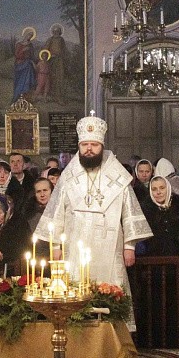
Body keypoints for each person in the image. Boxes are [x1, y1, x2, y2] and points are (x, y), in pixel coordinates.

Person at [37, 114, 152, 306]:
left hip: (110, 245)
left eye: (94, 145)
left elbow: (129, 212)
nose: (89, 149)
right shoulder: (68, 176)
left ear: (102, 146)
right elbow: (56, 211)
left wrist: (129, 247)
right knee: (74, 293)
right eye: (84, 145)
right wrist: (55, 246)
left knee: (111, 293)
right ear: (79, 146)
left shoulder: (118, 175)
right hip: (74, 245)